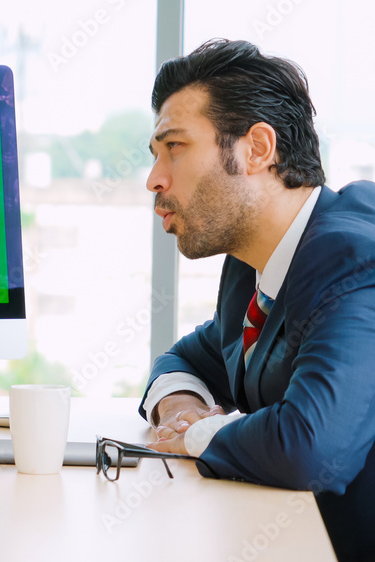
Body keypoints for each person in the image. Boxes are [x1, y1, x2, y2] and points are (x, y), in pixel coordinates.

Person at [141, 39, 375, 559]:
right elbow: (181, 359)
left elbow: (312, 448)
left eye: (174, 147)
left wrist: (199, 434)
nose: (154, 179)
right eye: (155, 155)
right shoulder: (253, 268)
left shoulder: (353, 259)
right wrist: (182, 407)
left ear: (257, 149)